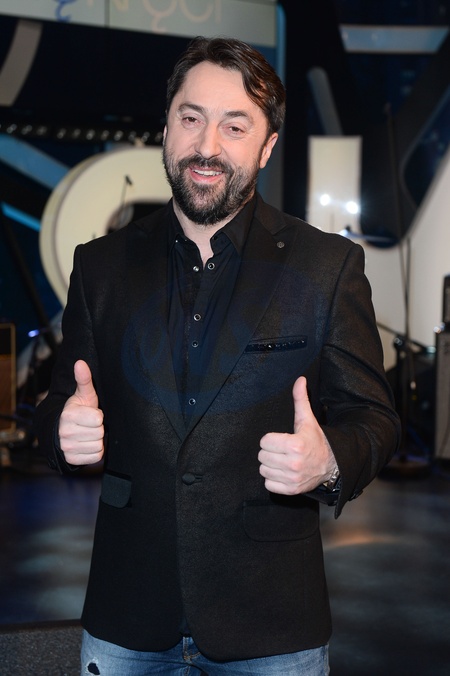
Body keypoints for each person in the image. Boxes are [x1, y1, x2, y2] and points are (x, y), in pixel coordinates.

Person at [35, 36, 400, 675]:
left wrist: (329, 461)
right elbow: (62, 403)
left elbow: (375, 418)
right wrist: (60, 432)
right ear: (166, 128)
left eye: (235, 126)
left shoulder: (327, 267)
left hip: (272, 624)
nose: (207, 146)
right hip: (127, 615)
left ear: (266, 146)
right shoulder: (101, 266)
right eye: (191, 118)